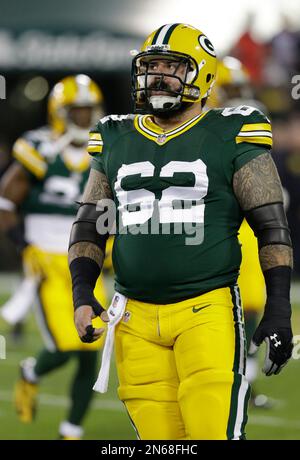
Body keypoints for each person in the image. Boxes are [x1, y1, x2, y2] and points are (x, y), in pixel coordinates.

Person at [68, 24, 293, 440]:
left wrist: (279, 305)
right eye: (150, 66)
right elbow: (89, 223)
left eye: (170, 67)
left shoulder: (233, 130)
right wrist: (83, 295)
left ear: (203, 75)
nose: (156, 76)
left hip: (205, 310)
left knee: (211, 432)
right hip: (132, 317)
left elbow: (270, 225)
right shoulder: (115, 135)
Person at [0, 74, 109, 440]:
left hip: (89, 259)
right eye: (75, 112)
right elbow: (5, 202)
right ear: (59, 113)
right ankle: (31, 371)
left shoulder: (104, 148)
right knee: (65, 347)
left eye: (87, 111)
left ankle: (71, 429)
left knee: (92, 343)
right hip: (47, 261)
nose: (82, 119)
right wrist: (24, 245)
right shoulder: (39, 147)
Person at [208, 56, 273, 408]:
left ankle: (245, 385)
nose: (238, 96)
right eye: (230, 89)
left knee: (251, 305)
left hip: (247, 227)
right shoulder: (200, 128)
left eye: (240, 89)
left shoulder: (247, 124)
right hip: (216, 228)